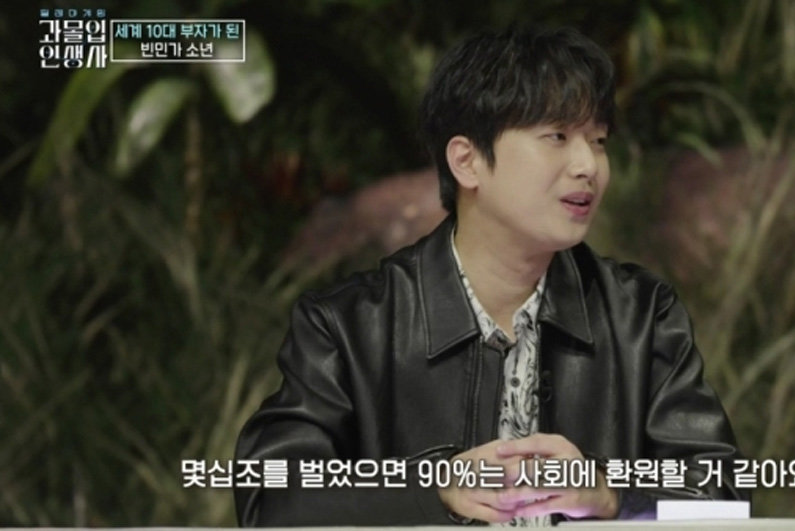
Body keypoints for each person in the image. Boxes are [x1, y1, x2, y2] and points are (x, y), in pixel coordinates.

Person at [234, 25, 744, 526]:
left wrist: (612, 495)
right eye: (557, 136)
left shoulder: (641, 316)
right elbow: (271, 497)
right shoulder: (347, 325)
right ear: (468, 161)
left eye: (598, 140)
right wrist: (434, 491)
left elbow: (722, 495)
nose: (588, 165)